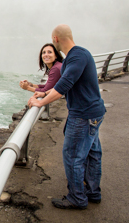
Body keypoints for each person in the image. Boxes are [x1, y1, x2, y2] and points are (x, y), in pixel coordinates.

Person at [28, 24, 106, 210]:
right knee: (93, 154)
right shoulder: (78, 55)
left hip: (83, 115)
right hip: (93, 113)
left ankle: (77, 198)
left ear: (55, 39)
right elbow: (65, 84)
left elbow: (65, 84)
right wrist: (42, 93)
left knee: (72, 157)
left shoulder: (77, 56)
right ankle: (93, 192)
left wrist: (41, 101)